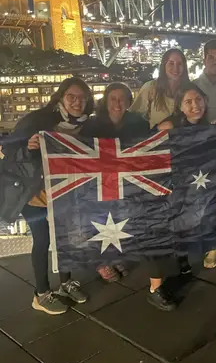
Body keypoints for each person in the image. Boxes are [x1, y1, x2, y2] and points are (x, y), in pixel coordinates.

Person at [7, 77, 93, 315]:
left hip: (65, 190)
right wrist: (28, 147)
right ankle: (41, 293)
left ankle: (66, 282)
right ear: (60, 98)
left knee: (65, 238)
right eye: (71, 97)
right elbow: (9, 148)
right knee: (42, 239)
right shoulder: (38, 119)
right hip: (34, 191)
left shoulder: (87, 126)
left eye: (82, 97)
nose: (77, 102)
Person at [146, 84, 213, 311]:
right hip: (165, 189)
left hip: (186, 190)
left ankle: (180, 265)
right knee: (161, 234)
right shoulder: (170, 126)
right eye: (188, 102)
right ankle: (155, 289)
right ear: (180, 107)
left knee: (180, 229)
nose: (195, 105)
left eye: (198, 99)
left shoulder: (206, 126)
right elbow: (146, 149)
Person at [81, 82, 150, 283]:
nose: (118, 103)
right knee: (98, 220)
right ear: (106, 101)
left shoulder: (138, 122)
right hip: (98, 181)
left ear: (129, 102)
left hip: (125, 180)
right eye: (113, 99)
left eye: (122, 99)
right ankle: (101, 262)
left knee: (121, 219)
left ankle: (117, 256)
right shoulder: (92, 124)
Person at [130, 48, 190, 129]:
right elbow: (133, 116)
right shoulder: (150, 88)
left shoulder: (190, 91)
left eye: (179, 64)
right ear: (164, 65)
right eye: (171, 63)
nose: (176, 68)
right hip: (158, 136)